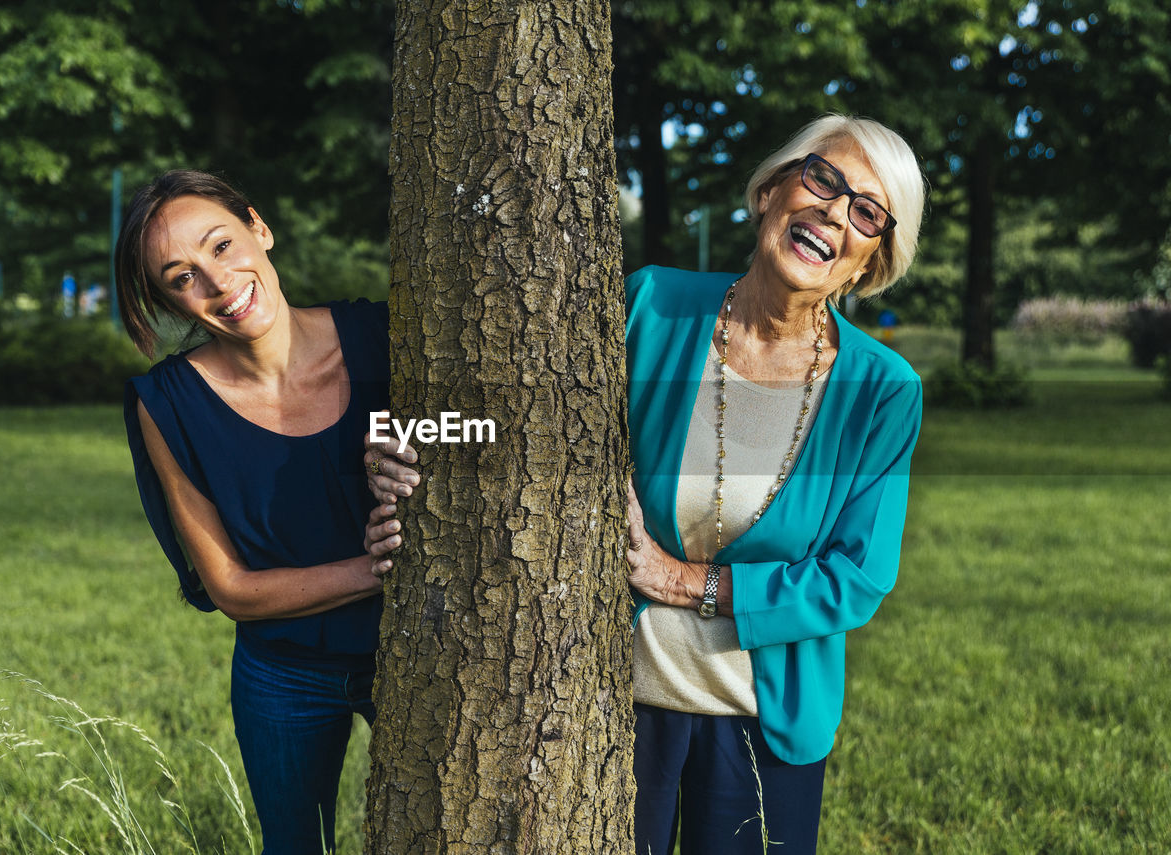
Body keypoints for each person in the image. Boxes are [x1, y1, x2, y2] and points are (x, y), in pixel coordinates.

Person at [365, 114, 926, 854]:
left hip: (765, 722)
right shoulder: (653, 307)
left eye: (866, 212)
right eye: (823, 178)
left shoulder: (881, 389)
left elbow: (855, 578)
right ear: (771, 191)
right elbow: (535, 418)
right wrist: (414, 437)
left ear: (869, 261)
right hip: (612, 709)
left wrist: (683, 580)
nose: (832, 210)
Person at [116, 170, 401, 854]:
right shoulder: (170, 404)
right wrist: (381, 567)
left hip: (410, 648)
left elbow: (492, 425)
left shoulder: (378, 334)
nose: (217, 283)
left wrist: (427, 437)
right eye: (182, 277)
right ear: (171, 303)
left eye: (221, 245)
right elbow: (232, 588)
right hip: (283, 673)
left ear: (259, 228)